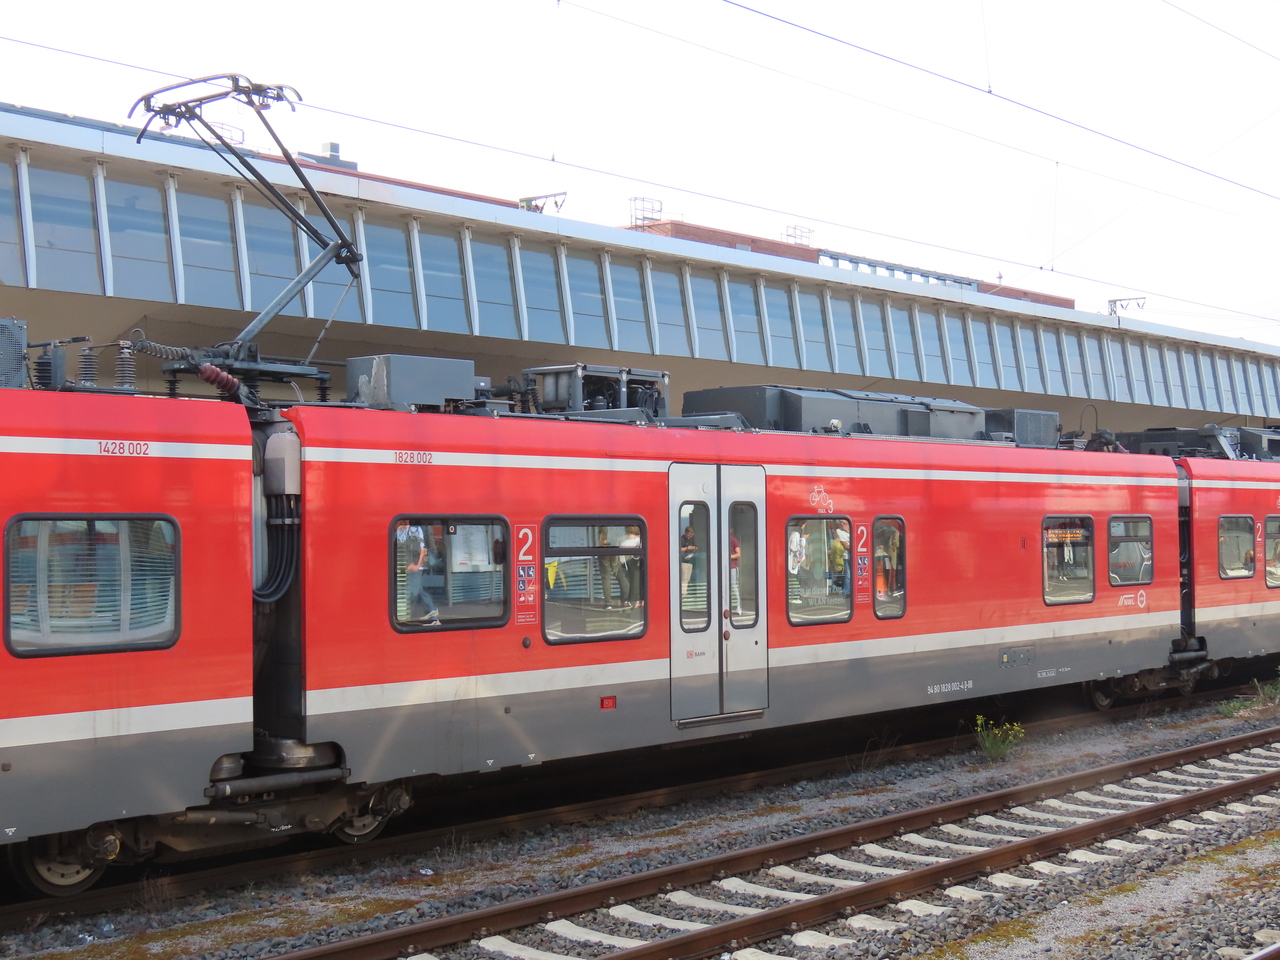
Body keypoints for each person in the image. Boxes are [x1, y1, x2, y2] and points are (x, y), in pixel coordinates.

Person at [396, 520, 440, 624]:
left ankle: (404, 617)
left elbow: (421, 550)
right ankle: (433, 614)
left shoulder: (416, 529)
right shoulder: (399, 529)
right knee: (419, 590)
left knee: (411, 592)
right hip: (406, 567)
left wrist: (417, 566)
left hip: (414, 567)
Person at [619, 525, 644, 608]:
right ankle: (642, 600)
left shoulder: (623, 543)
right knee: (641, 582)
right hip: (640, 564)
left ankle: (633, 600)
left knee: (633, 583)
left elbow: (621, 559)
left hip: (630, 565)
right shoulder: (640, 541)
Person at [679, 525, 697, 599]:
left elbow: (696, 547)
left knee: (688, 578)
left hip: (690, 561)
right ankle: (683, 594)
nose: (690, 536)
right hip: (683, 561)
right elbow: (679, 549)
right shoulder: (681, 539)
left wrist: (694, 548)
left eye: (692, 535)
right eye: (689, 534)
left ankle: (685, 592)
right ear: (686, 532)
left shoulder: (691, 540)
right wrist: (687, 548)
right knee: (684, 578)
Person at [729, 531, 742, 616]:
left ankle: (738, 607)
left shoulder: (733, 540)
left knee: (733, 586)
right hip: (724, 567)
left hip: (732, 567)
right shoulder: (721, 541)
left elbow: (738, 554)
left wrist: (728, 557)